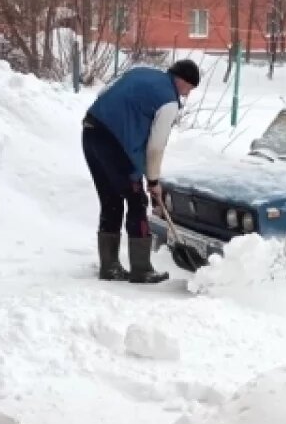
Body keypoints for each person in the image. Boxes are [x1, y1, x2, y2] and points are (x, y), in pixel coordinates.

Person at [82, 59, 200, 283]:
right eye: (189, 88)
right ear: (182, 81)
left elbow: (103, 95)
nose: (187, 95)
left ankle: (109, 267)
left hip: (90, 133)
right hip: (114, 145)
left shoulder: (139, 72)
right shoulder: (169, 101)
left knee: (111, 200)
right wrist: (153, 181)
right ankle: (141, 269)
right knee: (137, 200)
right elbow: (156, 146)